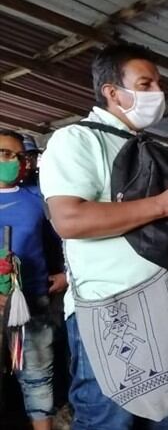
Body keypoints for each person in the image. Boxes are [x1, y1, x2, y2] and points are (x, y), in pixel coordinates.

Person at [40, 43, 168, 429]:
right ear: (112, 91)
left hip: (165, 306)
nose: (156, 92)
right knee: (111, 421)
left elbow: (166, 234)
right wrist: (164, 205)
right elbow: (69, 219)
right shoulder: (76, 140)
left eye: (158, 83)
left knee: (162, 419)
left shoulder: (157, 152)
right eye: (145, 83)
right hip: (112, 309)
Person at [0, 129, 67, 430]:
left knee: (39, 377)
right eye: (5, 154)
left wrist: (67, 275)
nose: (15, 162)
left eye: (20, 156)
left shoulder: (39, 199)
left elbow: (67, 239)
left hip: (34, 302)